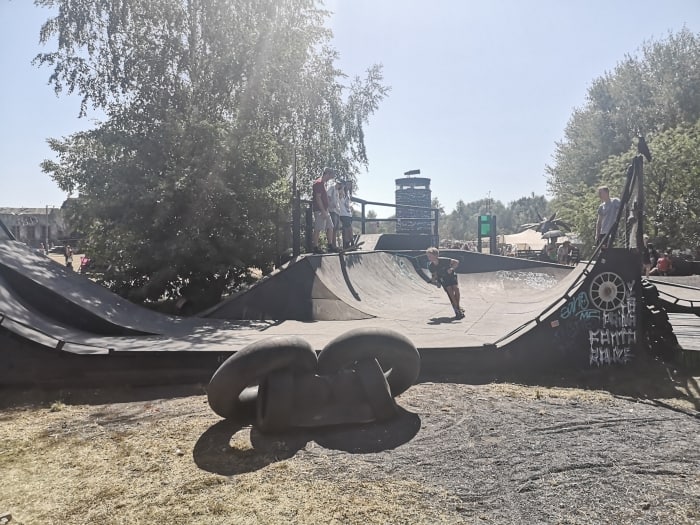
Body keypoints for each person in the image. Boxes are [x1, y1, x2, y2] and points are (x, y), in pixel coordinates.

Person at [426, 247, 464, 319]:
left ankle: (458, 307)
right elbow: (434, 275)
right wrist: (434, 281)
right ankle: (457, 308)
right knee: (450, 290)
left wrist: (451, 268)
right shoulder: (431, 266)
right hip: (443, 278)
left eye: (430, 256)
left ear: (436, 255)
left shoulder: (444, 260)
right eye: (428, 256)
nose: (429, 258)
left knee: (456, 288)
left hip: (451, 275)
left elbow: (456, 262)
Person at [311, 167, 337, 253]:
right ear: (327, 174)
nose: (330, 178)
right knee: (318, 228)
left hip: (325, 210)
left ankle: (330, 246)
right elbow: (318, 198)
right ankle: (315, 247)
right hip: (320, 210)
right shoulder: (319, 183)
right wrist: (322, 210)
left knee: (330, 226)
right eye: (330, 176)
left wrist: (327, 207)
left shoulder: (324, 184)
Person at [326, 180, 343, 249]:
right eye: (338, 183)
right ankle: (331, 245)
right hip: (332, 211)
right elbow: (328, 196)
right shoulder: (332, 188)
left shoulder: (337, 191)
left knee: (335, 229)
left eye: (340, 184)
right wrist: (330, 204)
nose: (339, 185)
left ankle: (334, 245)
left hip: (336, 211)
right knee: (331, 228)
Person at [338, 181, 354, 248]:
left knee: (348, 229)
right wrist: (342, 187)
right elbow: (339, 197)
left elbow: (348, 203)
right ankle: (350, 242)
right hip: (343, 213)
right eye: (347, 184)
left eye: (350, 185)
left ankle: (348, 243)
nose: (348, 186)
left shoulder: (348, 194)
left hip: (348, 214)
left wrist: (351, 209)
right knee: (348, 228)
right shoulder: (342, 192)